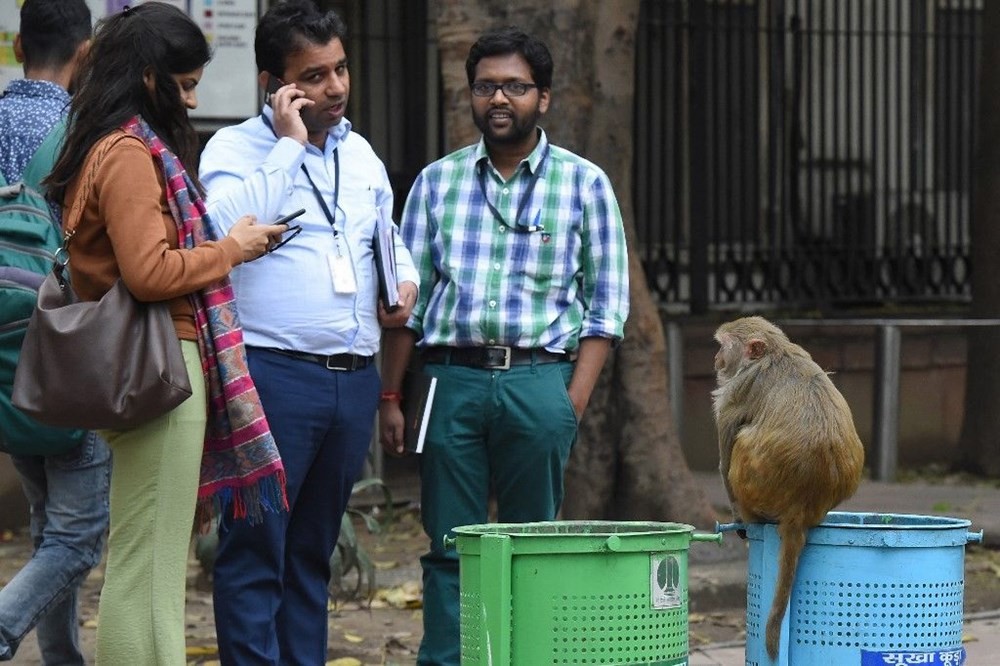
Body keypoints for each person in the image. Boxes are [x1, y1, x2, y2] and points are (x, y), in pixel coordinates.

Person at [43, 4, 288, 664]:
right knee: (143, 574)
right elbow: (150, 273)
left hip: (143, 367)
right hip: (161, 367)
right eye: (182, 84)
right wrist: (230, 249)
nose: (193, 98)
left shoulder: (105, 142)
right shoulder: (127, 152)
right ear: (146, 77)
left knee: (149, 572)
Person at [378, 26, 631, 665]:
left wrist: (568, 402)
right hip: (448, 380)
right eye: (487, 85)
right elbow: (411, 301)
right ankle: (446, 659)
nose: (499, 98)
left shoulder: (585, 185)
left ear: (542, 97)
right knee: (448, 543)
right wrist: (390, 394)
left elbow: (606, 309)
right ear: (470, 95)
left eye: (515, 86)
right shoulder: (436, 184)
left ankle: (528, 657)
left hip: (539, 382)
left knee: (532, 548)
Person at [198, 1, 419, 663]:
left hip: (351, 380)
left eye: (341, 69)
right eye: (316, 75)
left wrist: (404, 284)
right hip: (272, 377)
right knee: (255, 549)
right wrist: (290, 145)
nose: (337, 87)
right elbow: (223, 228)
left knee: (313, 553)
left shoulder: (363, 155)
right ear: (277, 84)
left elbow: (387, 240)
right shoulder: (235, 149)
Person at [0, 2, 109, 663]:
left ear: (16, 47)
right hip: (67, 349)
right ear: (86, 53)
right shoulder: (85, 135)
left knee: (50, 526)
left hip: (2, 353)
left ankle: (63, 659)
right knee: (79, 536)